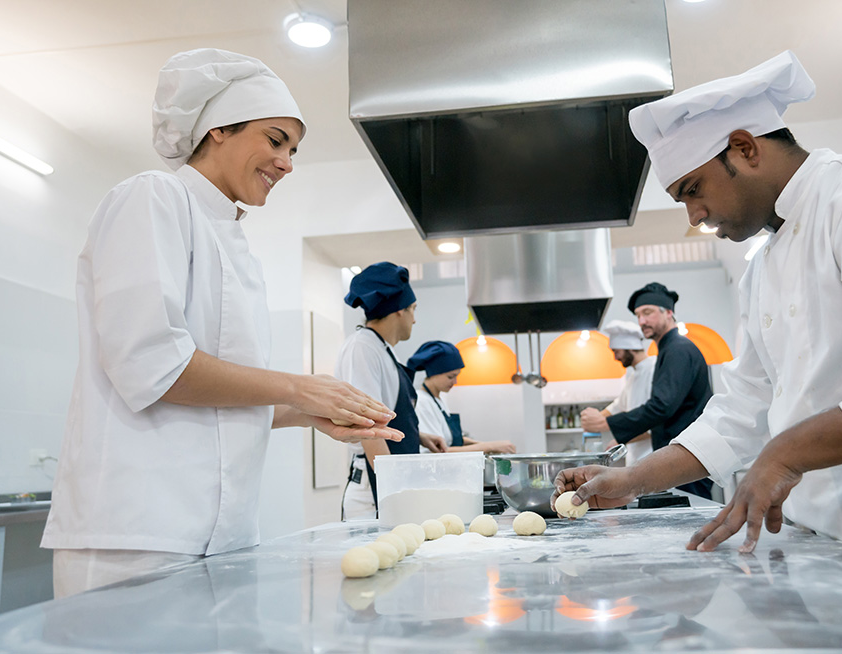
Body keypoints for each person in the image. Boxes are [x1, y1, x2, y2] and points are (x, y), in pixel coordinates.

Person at [554, 51, 842, 601]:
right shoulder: (763, 269)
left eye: (693, 190)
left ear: (745, 148)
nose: (694, 216)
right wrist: (630, 482)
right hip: (834, 554)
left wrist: (785, 453)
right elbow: (741, 411)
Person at [40, 49, 401, 598]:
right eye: (275, 140)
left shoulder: (236, 246)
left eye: (294, 150)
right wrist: (299, 387)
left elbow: (218, 400)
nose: (287, 162)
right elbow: (151, 366)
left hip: (221, 534)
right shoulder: (153, 198)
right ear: (217, 131)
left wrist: (310, 414)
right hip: (136, 531)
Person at [337, 262, 449, 520]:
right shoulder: (362, 348)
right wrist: (397, 497)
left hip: (386, 478)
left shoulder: (381, 349)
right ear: (399, 311)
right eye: (413, 309)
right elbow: (367, 428)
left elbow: (384, 413)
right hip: (373, 489)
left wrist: (418, 436)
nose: (415, 319)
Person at [580, 285, 713, 498]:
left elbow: (662, 406)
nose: (642, 321)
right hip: (676, 459)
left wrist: (608, 423)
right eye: (638, 315)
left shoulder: (678, 349)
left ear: (668, 312)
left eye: (648, 312)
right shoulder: (668, 350)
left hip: (686, 460)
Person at [407, 340, 517, 454]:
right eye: (450, 376)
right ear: (433, 373)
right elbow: (436, 452)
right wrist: (488, 447)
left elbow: (451, 439)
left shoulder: (438, 399)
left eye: (457, 376)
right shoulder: (422, 401)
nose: (455, 381)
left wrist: (483, 444)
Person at [580, 320, 656, 466]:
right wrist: (594, 417)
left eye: (616, 351)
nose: (615, 357)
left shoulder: (653, 370)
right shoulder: (633, 377)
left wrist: (621, 438)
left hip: (652, 459)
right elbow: (617, 406)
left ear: (630, 348)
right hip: (636, 462)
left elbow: (653, 426)